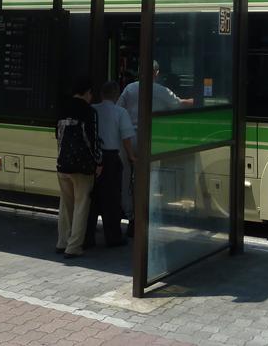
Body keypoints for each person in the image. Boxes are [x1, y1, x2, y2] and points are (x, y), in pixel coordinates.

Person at [116, 61, 192, 219]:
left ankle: (128, 210)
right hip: (146, 139)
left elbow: (119, 109)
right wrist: (200, 100)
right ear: (156, 74)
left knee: (125, 176)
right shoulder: (160, 90)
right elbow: (179, 104)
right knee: (143, 177)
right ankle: (142, 212)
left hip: (127, 139)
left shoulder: (129, 88)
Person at [55, 76, 102, 258]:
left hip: (63, 165)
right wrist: (98, 162)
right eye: (91, 93)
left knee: (65, 205)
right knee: (81, 205)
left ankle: (61, 242)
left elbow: (57, 137)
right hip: (83, 167)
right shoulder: (89, 112)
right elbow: (93, 139)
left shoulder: (61, 109)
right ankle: (74, 247)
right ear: (87, 92)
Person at [85, 80, 136, 249]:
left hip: (93, 158)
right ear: (116, 95)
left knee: (92, 199)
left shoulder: (92, 109)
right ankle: (113, 237)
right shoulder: (120, 112)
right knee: (112, 200)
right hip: (111, 158)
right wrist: (131, 156)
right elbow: (126, 138)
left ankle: (88, 237)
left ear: (101, 94)